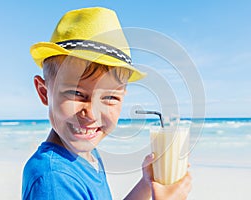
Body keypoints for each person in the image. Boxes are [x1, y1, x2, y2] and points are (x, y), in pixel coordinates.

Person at [22, 7, 192, 200]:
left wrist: (146, 184)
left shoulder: (85, 152)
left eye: (110, 97)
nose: (92, 114)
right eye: (77, 93)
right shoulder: (54, 180)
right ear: (44, 92)